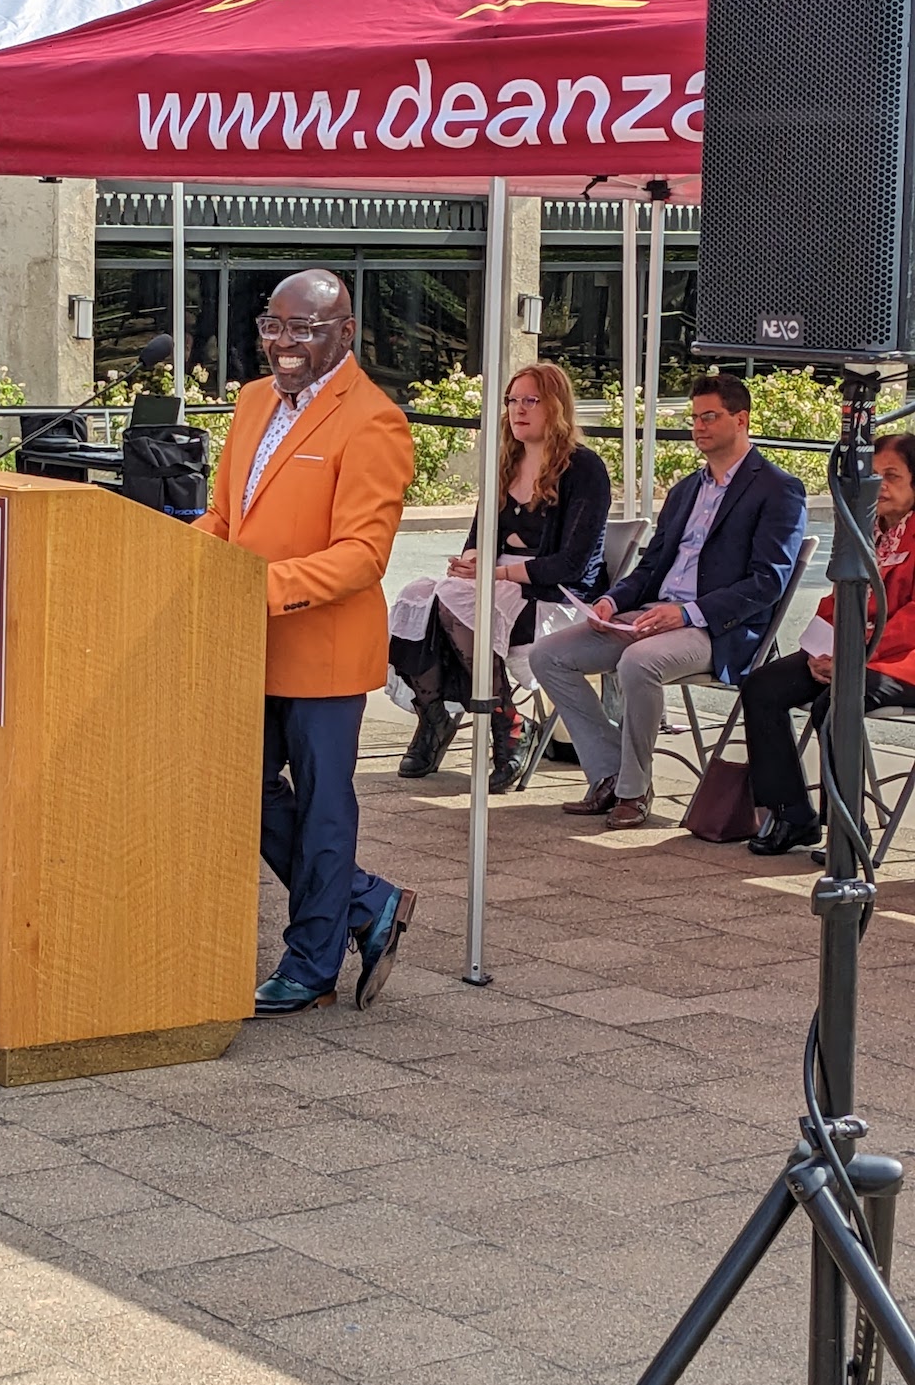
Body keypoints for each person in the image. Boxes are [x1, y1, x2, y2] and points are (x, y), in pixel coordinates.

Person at [195, 268, 417, 1017]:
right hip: (246, 645)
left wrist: (260, 587)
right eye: (274, 326)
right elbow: (226, 519)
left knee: (324, 809)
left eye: (304, 329)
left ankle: (312, 964)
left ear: (345, 333)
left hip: (323, 649)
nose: (283, 343)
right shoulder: (253, 400)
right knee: (242, 787)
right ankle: (365, 902)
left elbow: (363, 555)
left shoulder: (374, 421)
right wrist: (176, 556)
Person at [528, 370, 807, 828]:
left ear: (741, 420)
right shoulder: (685, 491)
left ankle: (633, 790)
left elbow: (767, 583)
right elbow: (650, 568)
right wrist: (612, 602)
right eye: (694, 417)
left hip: (718, 629)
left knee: (638, 662)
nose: (698, 426)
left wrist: (686, 613)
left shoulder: (778, 489)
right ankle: (610, 771)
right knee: (547, 655)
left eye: (709, 417)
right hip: (654, 616)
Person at [389, 362, 611, 792]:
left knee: (457, 606)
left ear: (556, 406)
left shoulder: (584, 469)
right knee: (417, 598)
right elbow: (479, 539)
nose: (518, 409)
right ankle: (435, 713)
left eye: (531, 400)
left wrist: (499, 572)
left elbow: (572, 565)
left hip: (552, 594)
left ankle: (504, 724)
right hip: (495, 584)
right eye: (513, 400)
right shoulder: (506, 463)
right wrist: (471, 564)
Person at [744, 432, 915, 856]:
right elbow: (838, 596)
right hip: (852, 649)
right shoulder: (865, 527)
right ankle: (790, 814)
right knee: (762, 687)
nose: (881, 486)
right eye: (874, 476)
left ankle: (848, 829)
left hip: (901, 659)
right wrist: (822, 648)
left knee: (835, 703)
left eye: (892, 476)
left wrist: (854, 656)